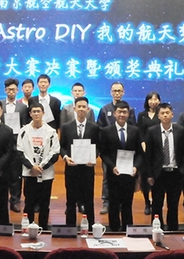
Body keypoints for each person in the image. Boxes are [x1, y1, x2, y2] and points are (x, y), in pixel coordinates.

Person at [99, 100, 144, 232]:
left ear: (128, 114)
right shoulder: (106, 131)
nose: (122, 115)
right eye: (119, 112)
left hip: (130, 174)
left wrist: (136, 167)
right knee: (113, 203)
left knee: (127, 203)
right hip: (113, 173)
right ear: (114, 113)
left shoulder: (135, 131)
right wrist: (112, 166)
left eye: (124, 112)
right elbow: (103, 153)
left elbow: (140, 153)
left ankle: (127, 228)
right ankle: (114, 229)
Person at [17, 102, 60, 229]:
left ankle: (43, 227)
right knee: (29, 202)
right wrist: (32, 167)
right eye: (34, 112)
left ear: (43, 113)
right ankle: (28, 227)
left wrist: (41, 167)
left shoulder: (51, 132)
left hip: (45, 174)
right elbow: (19, 152)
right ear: (30, 114)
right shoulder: (23, 131)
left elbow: (55, 153)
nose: (36, 114)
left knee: (44, 203)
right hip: (29, 173)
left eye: (38, 111)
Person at [145, 102, 184, 231]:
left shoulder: (180, 130)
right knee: (157, 204)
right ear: (158, 116)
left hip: (175, 172)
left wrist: (183, 170)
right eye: (162, 113)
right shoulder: (152, 131)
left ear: (172, 114)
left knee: (173, 204)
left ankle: (173, 229)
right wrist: (149, 174)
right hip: (159, 173)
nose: (165, 115)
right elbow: (148, 155)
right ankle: (157, 228)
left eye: (167, 113)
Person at [60, 96, 100, 226]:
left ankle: (90, 227)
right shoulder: (66, 127)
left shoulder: (94, 128)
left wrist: (94, 157)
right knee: (71, 200)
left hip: (88, 169)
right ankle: (70, 228)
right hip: (71, 169)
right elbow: (62, 147)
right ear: (74, 108)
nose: (81, 109)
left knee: (88, 200)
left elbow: (98, 146)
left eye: (84, 107)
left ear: (88, 109)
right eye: (79, 107)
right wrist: (66, 157)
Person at [96, 81, 135, 214]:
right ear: (111, 92)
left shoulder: (130, 109)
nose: (117, 93)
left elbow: (133, 129)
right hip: (109, 151)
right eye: (115, 91)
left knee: (124, 177)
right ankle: (106, 202)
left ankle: (122, 203)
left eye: (119, 91)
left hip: (125, 151)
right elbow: (99, 129)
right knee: (107, 177)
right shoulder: (104, 109)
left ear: (123, 92)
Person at [3, 77, 29, 213]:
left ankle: (15, 200)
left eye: (13, 90)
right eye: (9, 90)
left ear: (17, 91)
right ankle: (1, 201)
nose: (11, 92)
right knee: (2, 174)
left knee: (16, 175)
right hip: (2, 145)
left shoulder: (22, 107)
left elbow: (25, 126)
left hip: (17, 144)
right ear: (5, 90)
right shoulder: (0, 105)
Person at [137, 91, 161, 215]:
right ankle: (147, 202)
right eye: (150, 99)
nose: (153, 101)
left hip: (158, 150)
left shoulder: (161, 114)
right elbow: (139, 131)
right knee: (145, 177)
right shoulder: (142, 115)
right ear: (147, 101)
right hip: (144, 150)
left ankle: (157, 202)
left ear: (159, 101)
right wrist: (142, 143)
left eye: (155, 99)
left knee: (157, 177)